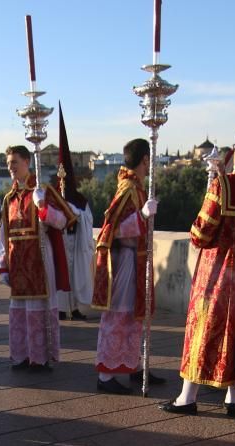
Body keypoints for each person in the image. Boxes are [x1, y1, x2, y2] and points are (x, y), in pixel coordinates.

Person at [162, 125, 235, 416]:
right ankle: (234, 399)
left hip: (220, 274)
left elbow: (200, 234)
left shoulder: (224, 185)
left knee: (203, 330)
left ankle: (187, 397)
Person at [0, 144, 74, 371]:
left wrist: (42, 207)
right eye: (8, 163)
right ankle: (20, 355)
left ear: (27, 162)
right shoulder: (9, 198)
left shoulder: (43, 190)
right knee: (19, 311)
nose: (10, 167)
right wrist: (3, 264)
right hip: (18, 263)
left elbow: (65, 220)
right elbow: (4, 234)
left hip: (40, 258)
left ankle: (40, 357)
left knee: (39, 308)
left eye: (14, 162)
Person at [90, 138, 157, 394]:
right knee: (119, 316)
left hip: (137, 259)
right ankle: (105, 376)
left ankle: (134, 365)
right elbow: (112, 229)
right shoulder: (128, 187)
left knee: (134, 317)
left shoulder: (137, 187)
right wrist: (141, 216)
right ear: (145, 160)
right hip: (125, 261)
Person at [55, 106, 95, 322]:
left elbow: (88, 219)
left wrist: (78, 214)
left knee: (77, 274)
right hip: (60, 242)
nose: (62, 182)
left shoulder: (80, 200)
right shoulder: (54, 197)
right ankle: (61, 308)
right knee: (62, 274)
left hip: (75, 240)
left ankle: (77, 308)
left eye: (65, 178)